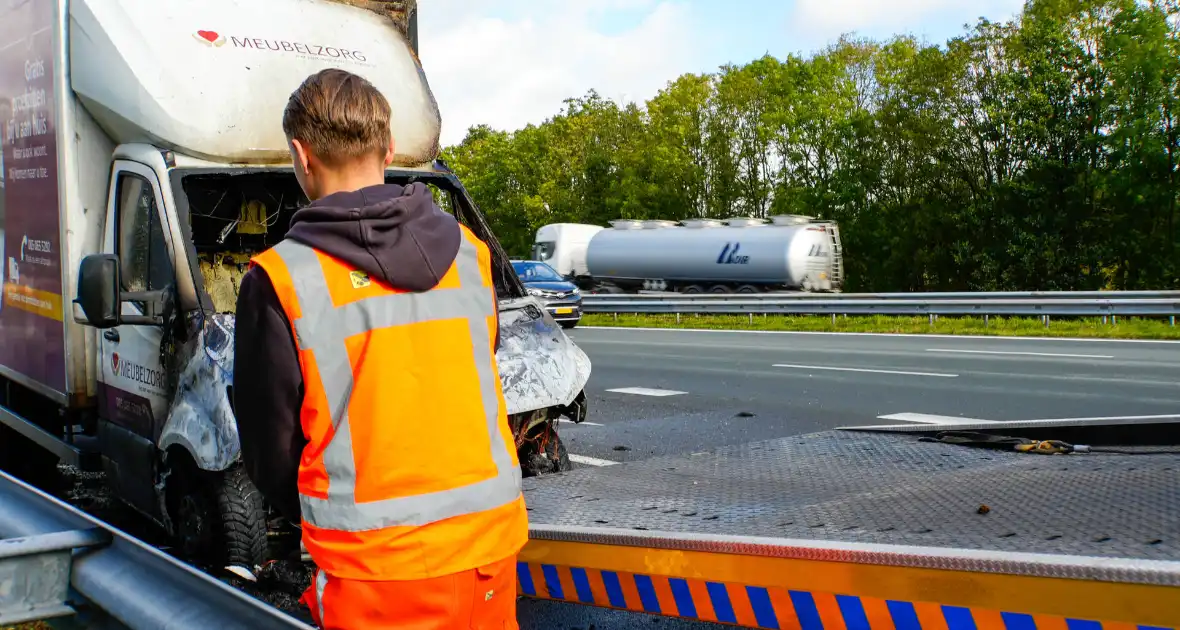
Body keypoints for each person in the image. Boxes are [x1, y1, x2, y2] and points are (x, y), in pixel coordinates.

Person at [233, 67, 529, 629]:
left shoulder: (280, 278)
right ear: (389, 146)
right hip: (489, 552)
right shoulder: (470, 255)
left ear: (302, 155)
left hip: (374, 574)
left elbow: (270, 455)